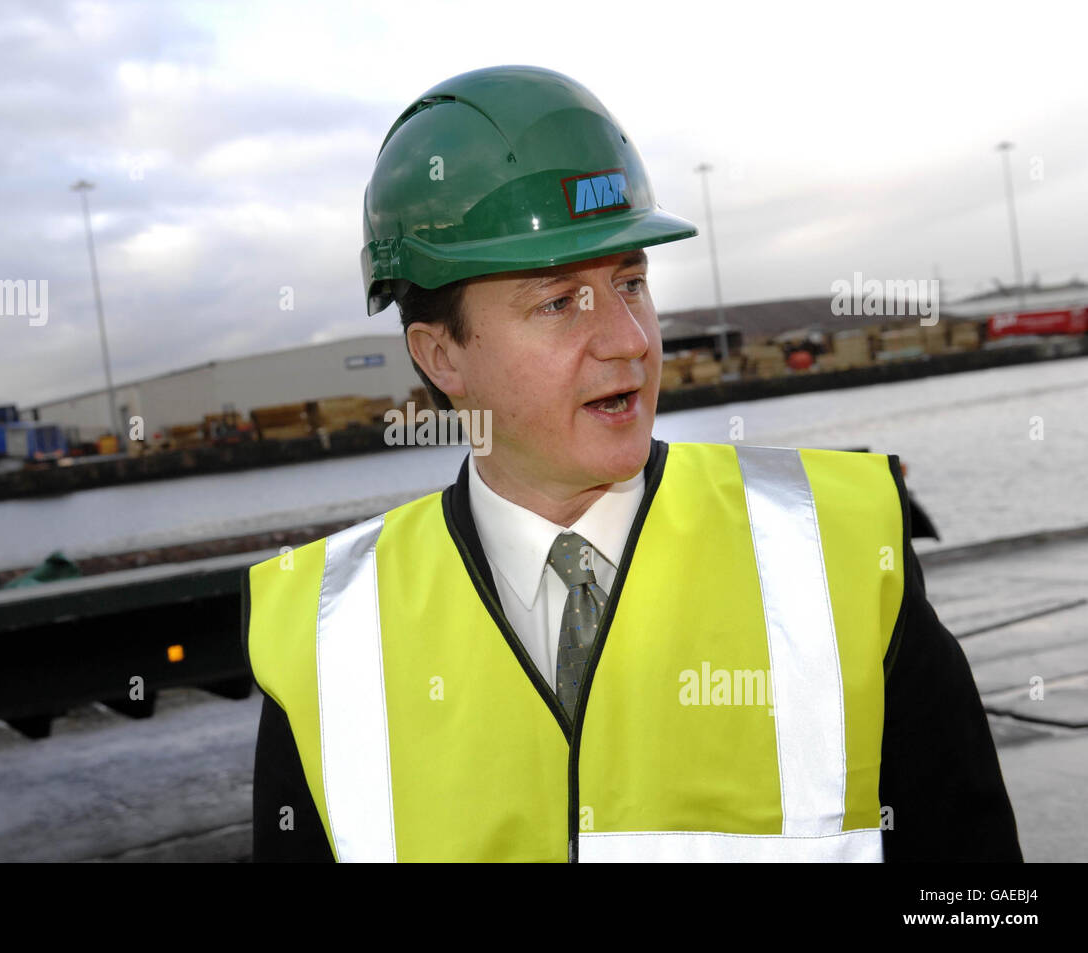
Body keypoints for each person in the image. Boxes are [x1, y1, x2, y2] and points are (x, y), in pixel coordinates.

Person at [242, 65, 1022, 862]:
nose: (630, 339)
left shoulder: (842, 554)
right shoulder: (330, 640)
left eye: (632, 283)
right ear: (441, 355)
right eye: (557, 302)